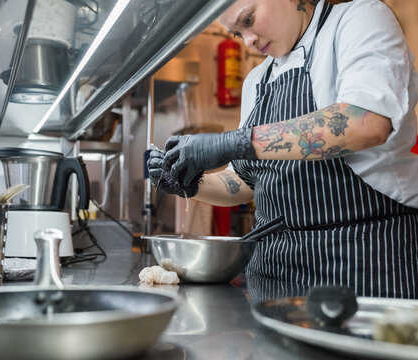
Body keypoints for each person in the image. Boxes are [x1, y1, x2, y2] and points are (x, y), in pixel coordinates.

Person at [148, 0, 418, 299]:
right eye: (237, 34)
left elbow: (364, 123)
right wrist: (189, 182)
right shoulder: (257, 81)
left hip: (362, 264)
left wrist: (234, 142)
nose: (248, 41)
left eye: (248, 19)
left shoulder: (358, 19)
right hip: (274, 272)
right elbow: (244, 182)